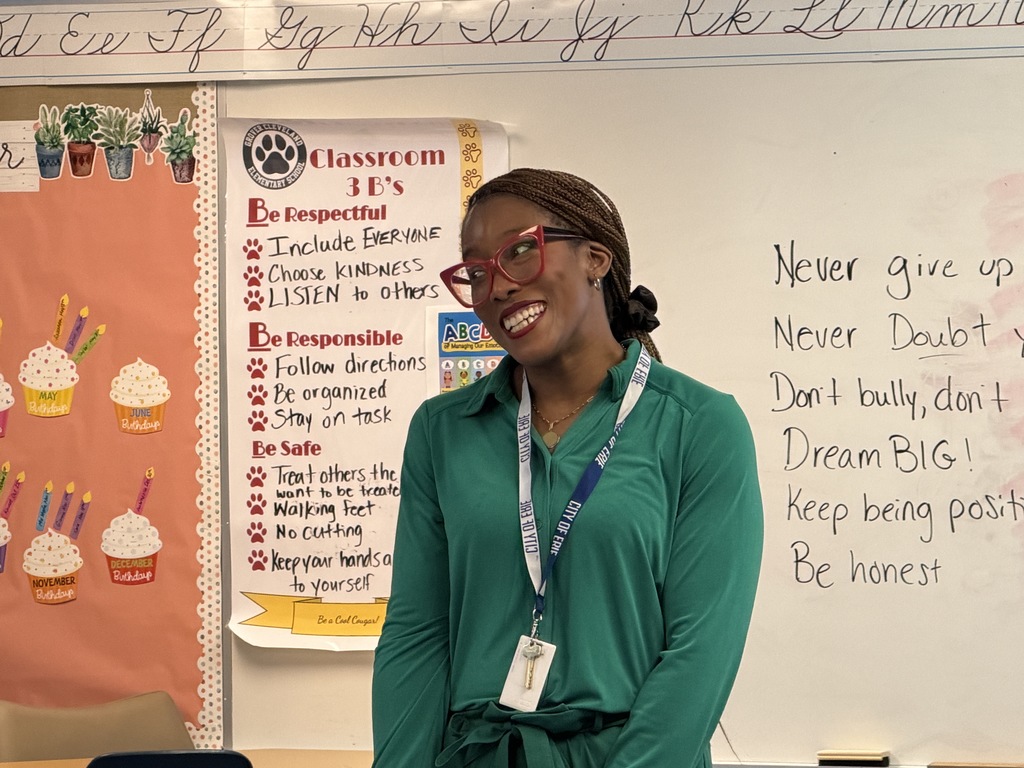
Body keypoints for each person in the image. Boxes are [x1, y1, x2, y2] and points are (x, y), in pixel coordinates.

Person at [372, 167, 763, 768]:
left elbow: (702, 648)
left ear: (595, 258)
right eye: (476, 273)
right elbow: (416, 635)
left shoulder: (700, 426)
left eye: (520, 251)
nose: (496, 287)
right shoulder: (441, 431)